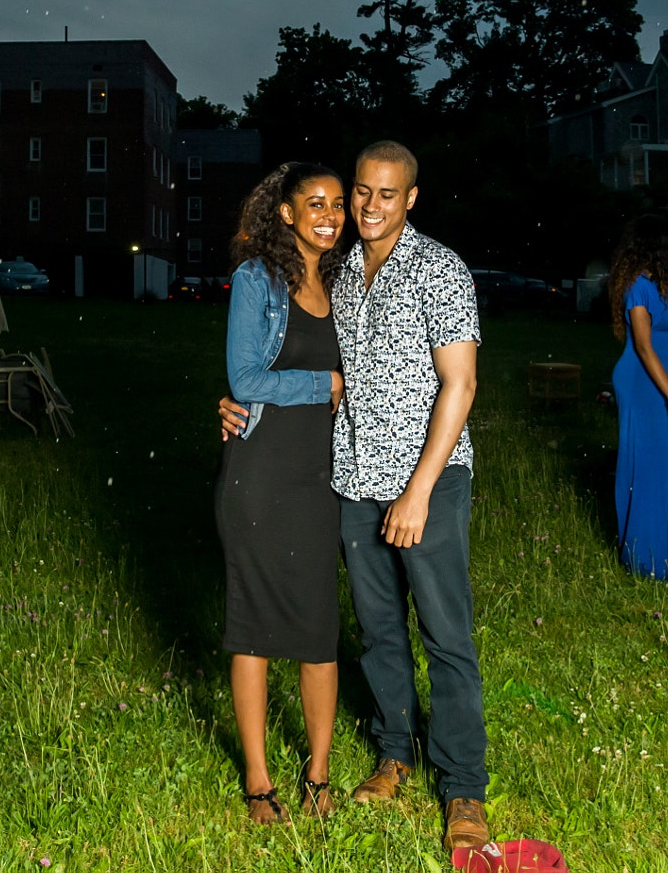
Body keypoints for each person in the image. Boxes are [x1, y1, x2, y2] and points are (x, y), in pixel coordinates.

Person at [220, 141, 491, 853]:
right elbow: (284, 356)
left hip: (423, 483)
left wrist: (419, 491)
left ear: (411, 198)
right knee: (378, 634)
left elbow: (460, 385)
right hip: (351, 481)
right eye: (358, 193)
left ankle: (463, 787)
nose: (365, 207)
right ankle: (393, 755)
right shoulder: (339, 274)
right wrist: (235, 400)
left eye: (382, 194)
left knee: (446, 636)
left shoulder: (439, 270)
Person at [214, 163, 349, 824]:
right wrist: (324, 385)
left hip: (323, 480)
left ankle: (318, 775)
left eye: (339, 204)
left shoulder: (350, 284)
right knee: (255, 629)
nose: (330, 214)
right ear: (288, 214)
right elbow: (244, 379)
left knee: (319, 629)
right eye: (314, 203)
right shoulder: (256, 279)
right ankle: (259, 780)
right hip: (260, 474)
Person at [607, 215, 668, 579]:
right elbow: (645, 350)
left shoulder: (660, 285)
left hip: (662, 380)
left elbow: (666, 343)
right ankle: (645, 559)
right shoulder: (637, 288)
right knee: (651, 467)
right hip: (642, 383)